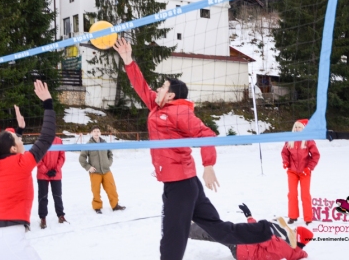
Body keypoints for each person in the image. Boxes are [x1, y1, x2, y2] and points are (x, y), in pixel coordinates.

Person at [114, 38, 275, 260]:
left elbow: (207, 135)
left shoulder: (179, 112)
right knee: (217, 229)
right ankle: (267, 230)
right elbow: (141, 86)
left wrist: (208, 165)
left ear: (171, 95)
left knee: (172, 236)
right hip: (185, 183)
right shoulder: (158, 106)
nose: (157, 89)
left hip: (180, 185)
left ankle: (267, 231)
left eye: (162, 87)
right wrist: (127, 59)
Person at [0, 80, 55, 260]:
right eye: (18, 138)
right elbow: (47, 137)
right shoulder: (22, 162)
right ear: (13, 149)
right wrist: (47, 102)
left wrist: (19, 130)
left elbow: (9, 150)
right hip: (8, 237)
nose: (21, 140)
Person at [189, 203, 314, 260]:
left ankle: (186, 230)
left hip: (243, 248)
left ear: (297, 238)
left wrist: (249, 217)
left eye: (295, 231)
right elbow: (300, 254)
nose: (292, 230)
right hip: (245, 250)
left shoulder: (283, 246)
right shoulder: (293, 251)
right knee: (215, 234)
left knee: (216, 232)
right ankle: (191, 230)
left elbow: (259, 234)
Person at [281, 119, 320, 225]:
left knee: (305, 195)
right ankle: (293, 216)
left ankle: (308, 218)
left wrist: (309, 167)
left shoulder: (308, 140)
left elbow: (316, 155)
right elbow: (285, 153)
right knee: (292, 194)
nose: (298, 129)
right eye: (296, 127)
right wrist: (285, 162)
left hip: (305, 172)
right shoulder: (289, 139)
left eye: (300, 127)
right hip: (292, 171)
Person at [79, 126, 125, 214]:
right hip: (95, 172)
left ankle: (115, 205)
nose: (96, 133)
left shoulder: (104, 143)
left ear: (100, 133)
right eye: (94, 131)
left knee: (112, 189)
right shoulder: (88, 145)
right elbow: (82, 158)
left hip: (106, 171)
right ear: (91, 133)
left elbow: (110, 154)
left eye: (98, 131)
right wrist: (89, 167)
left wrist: (108, 163)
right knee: (96, 191)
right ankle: (97, 207)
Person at [37, 136, 66, 229]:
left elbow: (62, 156)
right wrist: (45, 170)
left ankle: (60, 215)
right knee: (43, 197)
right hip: (43, 174)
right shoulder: (40, 140)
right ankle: (43, 218)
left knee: (57, 195)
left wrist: (56, 169)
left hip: (55, 173)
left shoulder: (59, 141)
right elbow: (37, 157)